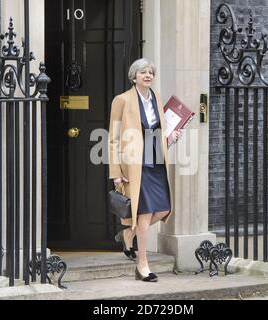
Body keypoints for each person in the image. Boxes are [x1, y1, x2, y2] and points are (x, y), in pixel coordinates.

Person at [108, 58, 182, 282]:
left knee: (163, 210)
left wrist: (170, 139)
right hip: (135, 166)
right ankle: (142, 265)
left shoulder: (157, 99)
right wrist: (115, 173)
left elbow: (155, 133)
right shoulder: (121, 100)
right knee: (144, 212)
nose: (148, 75)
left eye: (150, 72)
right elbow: (113, 138)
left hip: (156, 162)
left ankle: (128, 233)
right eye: (143, 72)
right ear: (134, 77)